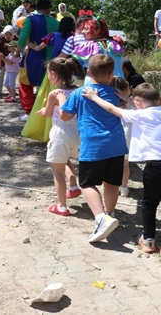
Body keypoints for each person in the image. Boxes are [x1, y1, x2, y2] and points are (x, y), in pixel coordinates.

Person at [82, 82, 161, 261]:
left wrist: (94, 97)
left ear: (137, 104)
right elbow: (143, 104)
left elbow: (112, 109)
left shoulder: (139, 115)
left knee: (149, 204)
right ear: (160, 100)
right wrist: (126, 98)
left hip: (156, 167)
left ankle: (149, 240)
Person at [60, 55, 128, 243]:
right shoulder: (115, 93)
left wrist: (59, 100)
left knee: (87, 184)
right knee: (111, 183)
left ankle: (101, 218)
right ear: (111, 74)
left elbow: (65, 116)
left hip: (93, 146)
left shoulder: (80, 93)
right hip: (116, 145)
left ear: (88, 72)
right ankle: (110, 213)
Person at [36, 57, 84, 216]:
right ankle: (74, 186)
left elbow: (49, 113)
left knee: (57, 171)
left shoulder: (55, 94)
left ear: (54, 75)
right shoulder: (79, 90)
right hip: (77, 132)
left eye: (48, 73)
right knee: (65, 159)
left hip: (61, 132)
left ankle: (61, 206)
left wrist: (43, 111)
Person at [17, 0, 60, 120]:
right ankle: (47, 111)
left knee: (25, 83)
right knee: (46, 85)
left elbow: (23, 36)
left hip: (33, 56)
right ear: (49, 9)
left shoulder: (30, 20)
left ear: (37, 8)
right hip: (52, 57)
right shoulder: (56, 22)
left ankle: (29, 112)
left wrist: (17, 51)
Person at [111, 77, 134, 197]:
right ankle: (124, 188)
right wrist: (126, 98)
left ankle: (112, 186)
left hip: (113, 135)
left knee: (112, 163)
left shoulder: (110, 103)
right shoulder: (131, 103)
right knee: (125, 164)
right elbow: (142, 107)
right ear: (124, 91)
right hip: (127, 136)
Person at [0, 26, 18, 96]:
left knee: (12, 74)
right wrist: (2, 57)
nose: (8, 36)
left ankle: (12, 91)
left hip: (13, 56)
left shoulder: (17, 38)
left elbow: (19, 49)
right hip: (2, 55)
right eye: (6, 34)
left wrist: (15, 56)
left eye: (10, 34)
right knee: (0, 71)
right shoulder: (1, 39)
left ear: (13, 34)